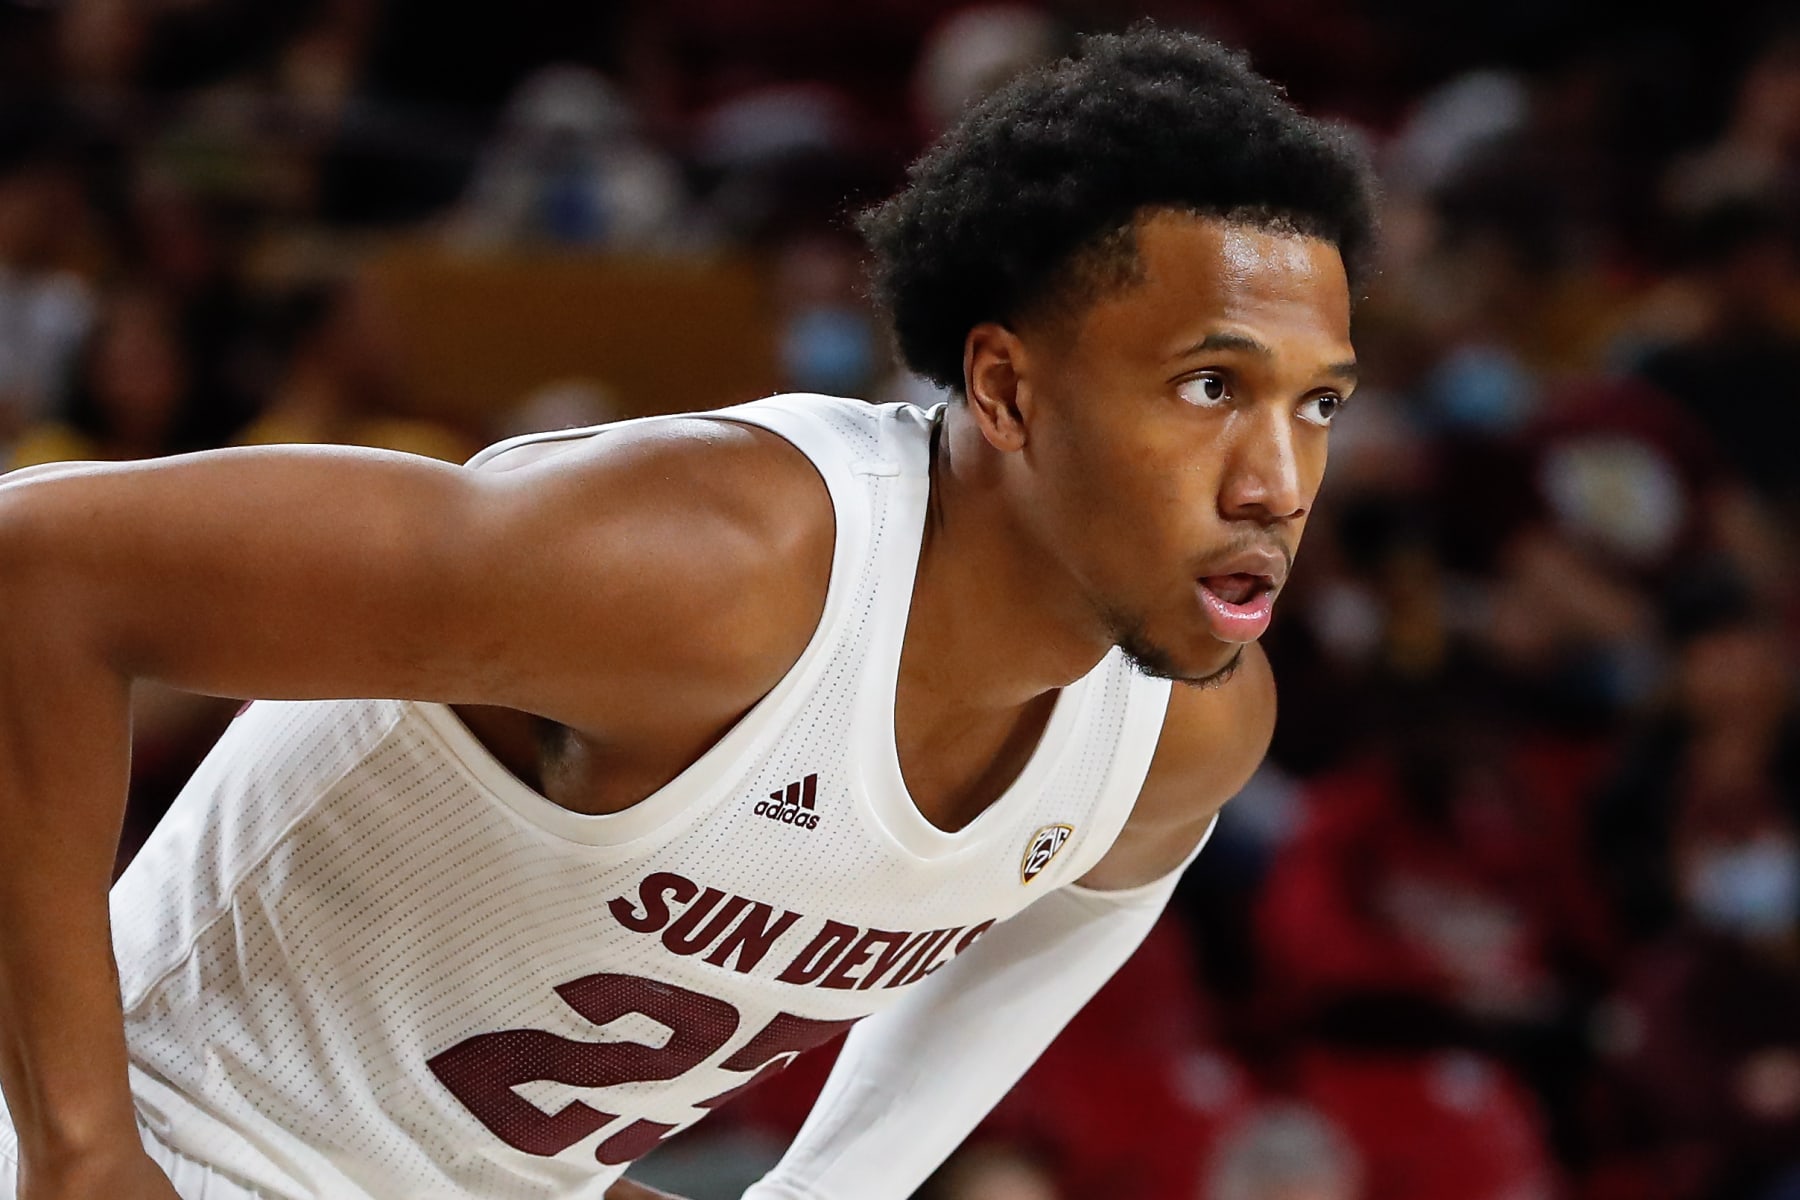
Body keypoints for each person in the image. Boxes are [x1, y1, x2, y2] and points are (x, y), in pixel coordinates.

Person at [0, 25, 1375, 1200]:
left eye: (1318, 405)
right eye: (1211, 388)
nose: (1276, 481)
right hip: (182, 1142)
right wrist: (76, 1153)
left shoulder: (1181, 738)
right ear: (1010, 393)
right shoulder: (711, 569)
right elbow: (39, 566)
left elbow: (1078, 925)